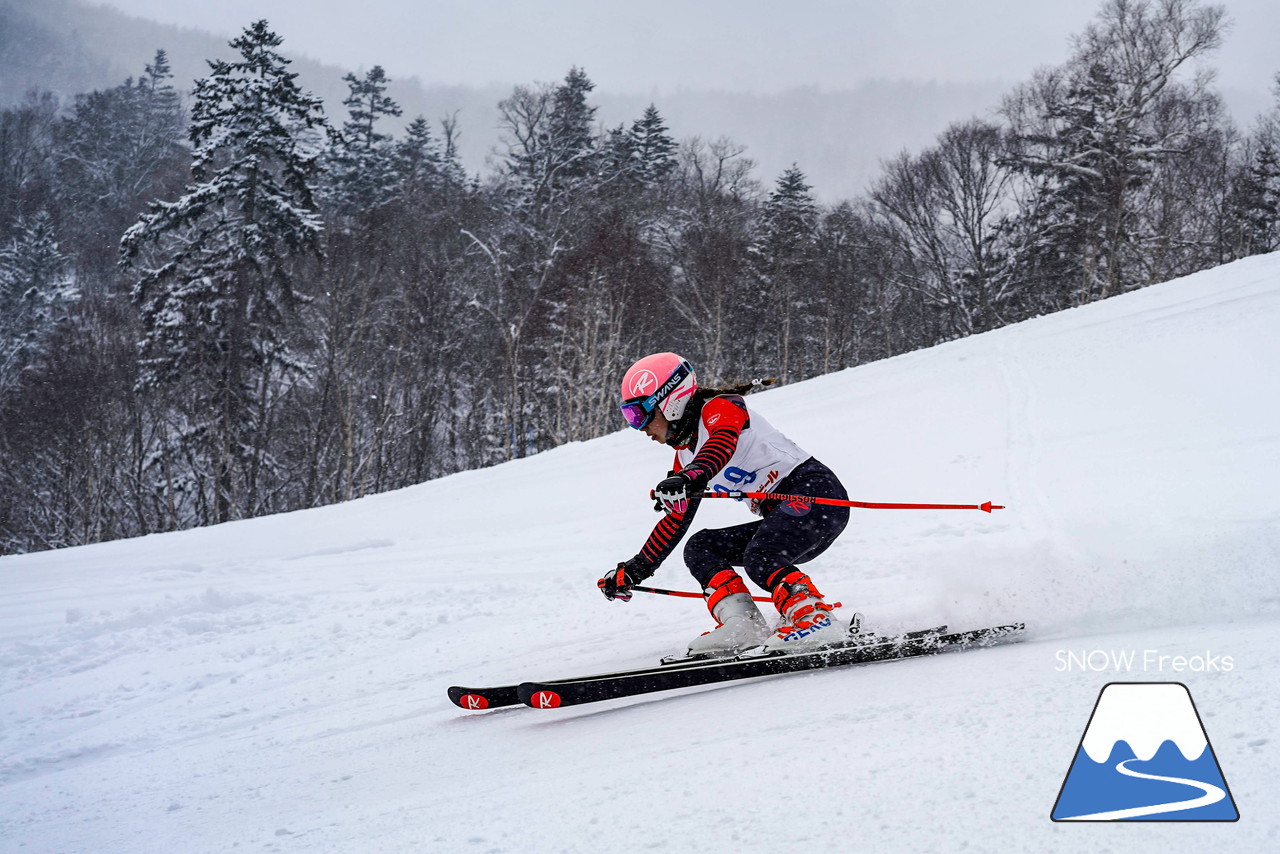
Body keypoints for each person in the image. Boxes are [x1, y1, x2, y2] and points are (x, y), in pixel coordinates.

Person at [598, 352, 853, 657]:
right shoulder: (685, 458)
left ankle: (816, 619)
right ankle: (744, 626)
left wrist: (690, 478)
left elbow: (721, 444)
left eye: (640, 416)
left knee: (761, 554)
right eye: (630, 418)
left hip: (816, 496)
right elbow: (675, 521)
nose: (640, 428)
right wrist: (637, 568)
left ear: (670, 401)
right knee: (701, 546)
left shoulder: (723, 408)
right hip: (783, 515)